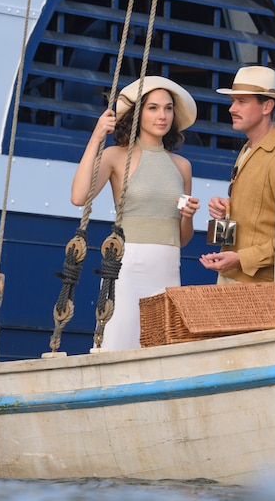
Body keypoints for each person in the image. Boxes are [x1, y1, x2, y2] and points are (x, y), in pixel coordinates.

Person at [71, 76, 198, 350]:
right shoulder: (116, 156)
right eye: (153, 108)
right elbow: (79, 197)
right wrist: (96, 137)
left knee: (161, 352)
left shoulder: (183, 166)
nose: (162, 115)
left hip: (168, 269)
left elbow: (183, 238)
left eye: (167, 108)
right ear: (138, 113)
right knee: (116, 345)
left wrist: (188, 216)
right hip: (127, 268)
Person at [199, 66, 275, 284]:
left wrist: (240, 259)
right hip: (234, 278)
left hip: (257, 286)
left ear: (267, 106)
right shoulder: (249, 149)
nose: (232, 109)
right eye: (233, 101)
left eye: (242, 101)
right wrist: (227, 208)